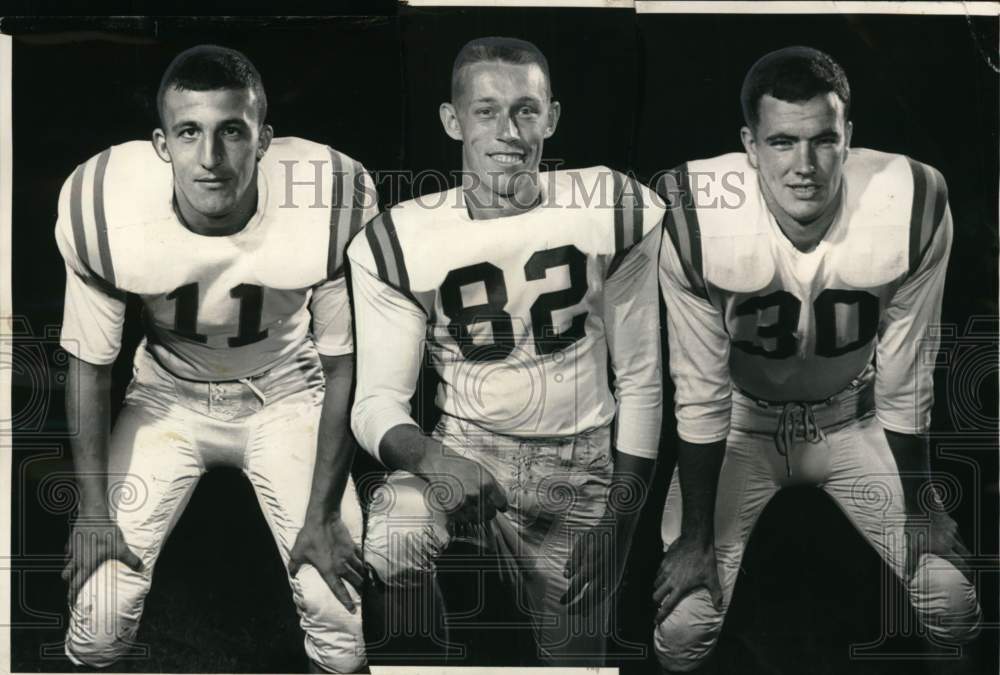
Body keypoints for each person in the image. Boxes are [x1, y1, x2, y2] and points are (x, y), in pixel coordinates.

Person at [652, 46, 982, 672]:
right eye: (781, 142)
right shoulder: (694, 209)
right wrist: (695, 537)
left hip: (851, 419)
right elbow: (699, 391)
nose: (804, 165)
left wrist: (922, 505)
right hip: (742, 426)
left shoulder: (913, 198)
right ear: (749, 144)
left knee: (951, 599)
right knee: (684, 624)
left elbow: (908, 374)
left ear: (848, 136)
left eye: (823, 141)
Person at [56, 45, 376, 673]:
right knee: (98, 616)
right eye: (188, 133)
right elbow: (90, 365)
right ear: (160, 142)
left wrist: (321, 514)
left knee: (335, 609)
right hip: (166, 396)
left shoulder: (333, 194)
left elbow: (343, 363)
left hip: (289, 389)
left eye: (232, 131)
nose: (210, 158)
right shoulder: (100, 202)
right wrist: (93, 513)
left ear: (264, 140)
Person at [348, 36, 664, 665]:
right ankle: (427, 656)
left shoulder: (611, 204)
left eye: (526, 109)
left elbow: (642, 380)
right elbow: (375, 403)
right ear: (452, 119)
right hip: (469, 445)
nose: (509, 130)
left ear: (552, 116)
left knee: (573, 659)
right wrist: (433, 458)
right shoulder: (399, 237)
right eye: (487, 110)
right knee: (392, 538)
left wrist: (621, 525)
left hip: (579, 464)